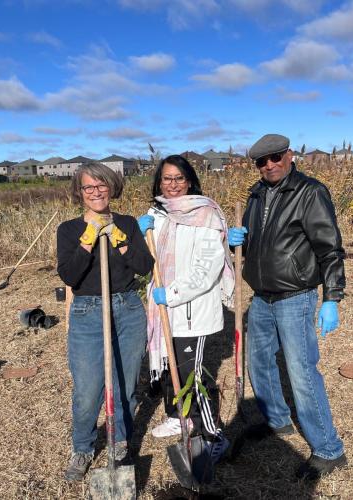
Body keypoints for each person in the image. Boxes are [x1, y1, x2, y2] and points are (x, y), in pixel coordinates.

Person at [228, 134, 347, 480]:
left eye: (275, 157)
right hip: (261, 297)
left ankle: (329, 449)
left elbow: (329, 248)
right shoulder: (256, 194)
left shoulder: (309, 192)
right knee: (260, 363)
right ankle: (278, 421)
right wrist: (237, 241)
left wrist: (332, 298)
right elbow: (253, 244)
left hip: (296, 296)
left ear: (290, 155)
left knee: (302, 372)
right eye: (261, 161)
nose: (269, 165)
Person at [57, 161, 154, 481]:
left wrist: (119, 237)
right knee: (87, 390)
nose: (96, 191)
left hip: (127, 308)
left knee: (124, 387)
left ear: (111, 188)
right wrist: (88, 237)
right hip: (87, 311)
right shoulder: (68, 230)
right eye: (89, 187)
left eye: (102, 185)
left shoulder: (126, 223)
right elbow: (69, 275)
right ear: (79, 192)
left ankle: (119, 444)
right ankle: (83, 448)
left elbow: (144, 266)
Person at [138, 154, 234, 464]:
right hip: (163, 307)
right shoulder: (158, 213)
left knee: (193, 374)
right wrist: (141, 235)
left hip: (192, 309)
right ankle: (178, 417)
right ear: (159, 182)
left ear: (189, 180)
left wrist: (174, 293)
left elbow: (208, 268)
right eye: (167, 178)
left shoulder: (205, 213)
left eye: (179, 178)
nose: (173, 184)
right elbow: (145, 260)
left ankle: (214, 434)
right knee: (169, 365)